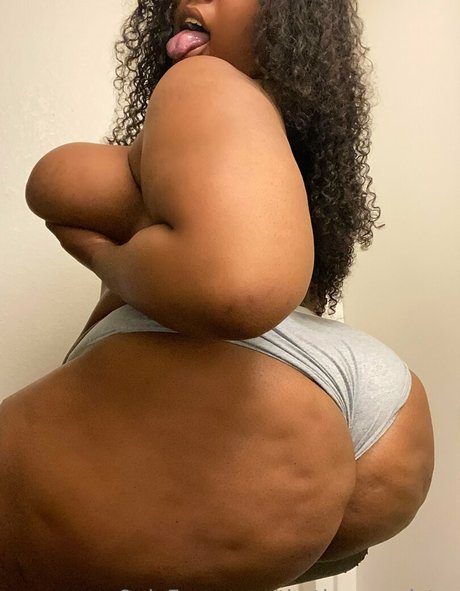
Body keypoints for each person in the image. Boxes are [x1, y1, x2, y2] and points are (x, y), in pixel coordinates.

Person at [0, 1, 434, 589]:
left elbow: (239, 286)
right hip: (373, 408)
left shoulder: (202, 87)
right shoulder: (251, 157)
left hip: (229, 381)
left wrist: (104, 256)